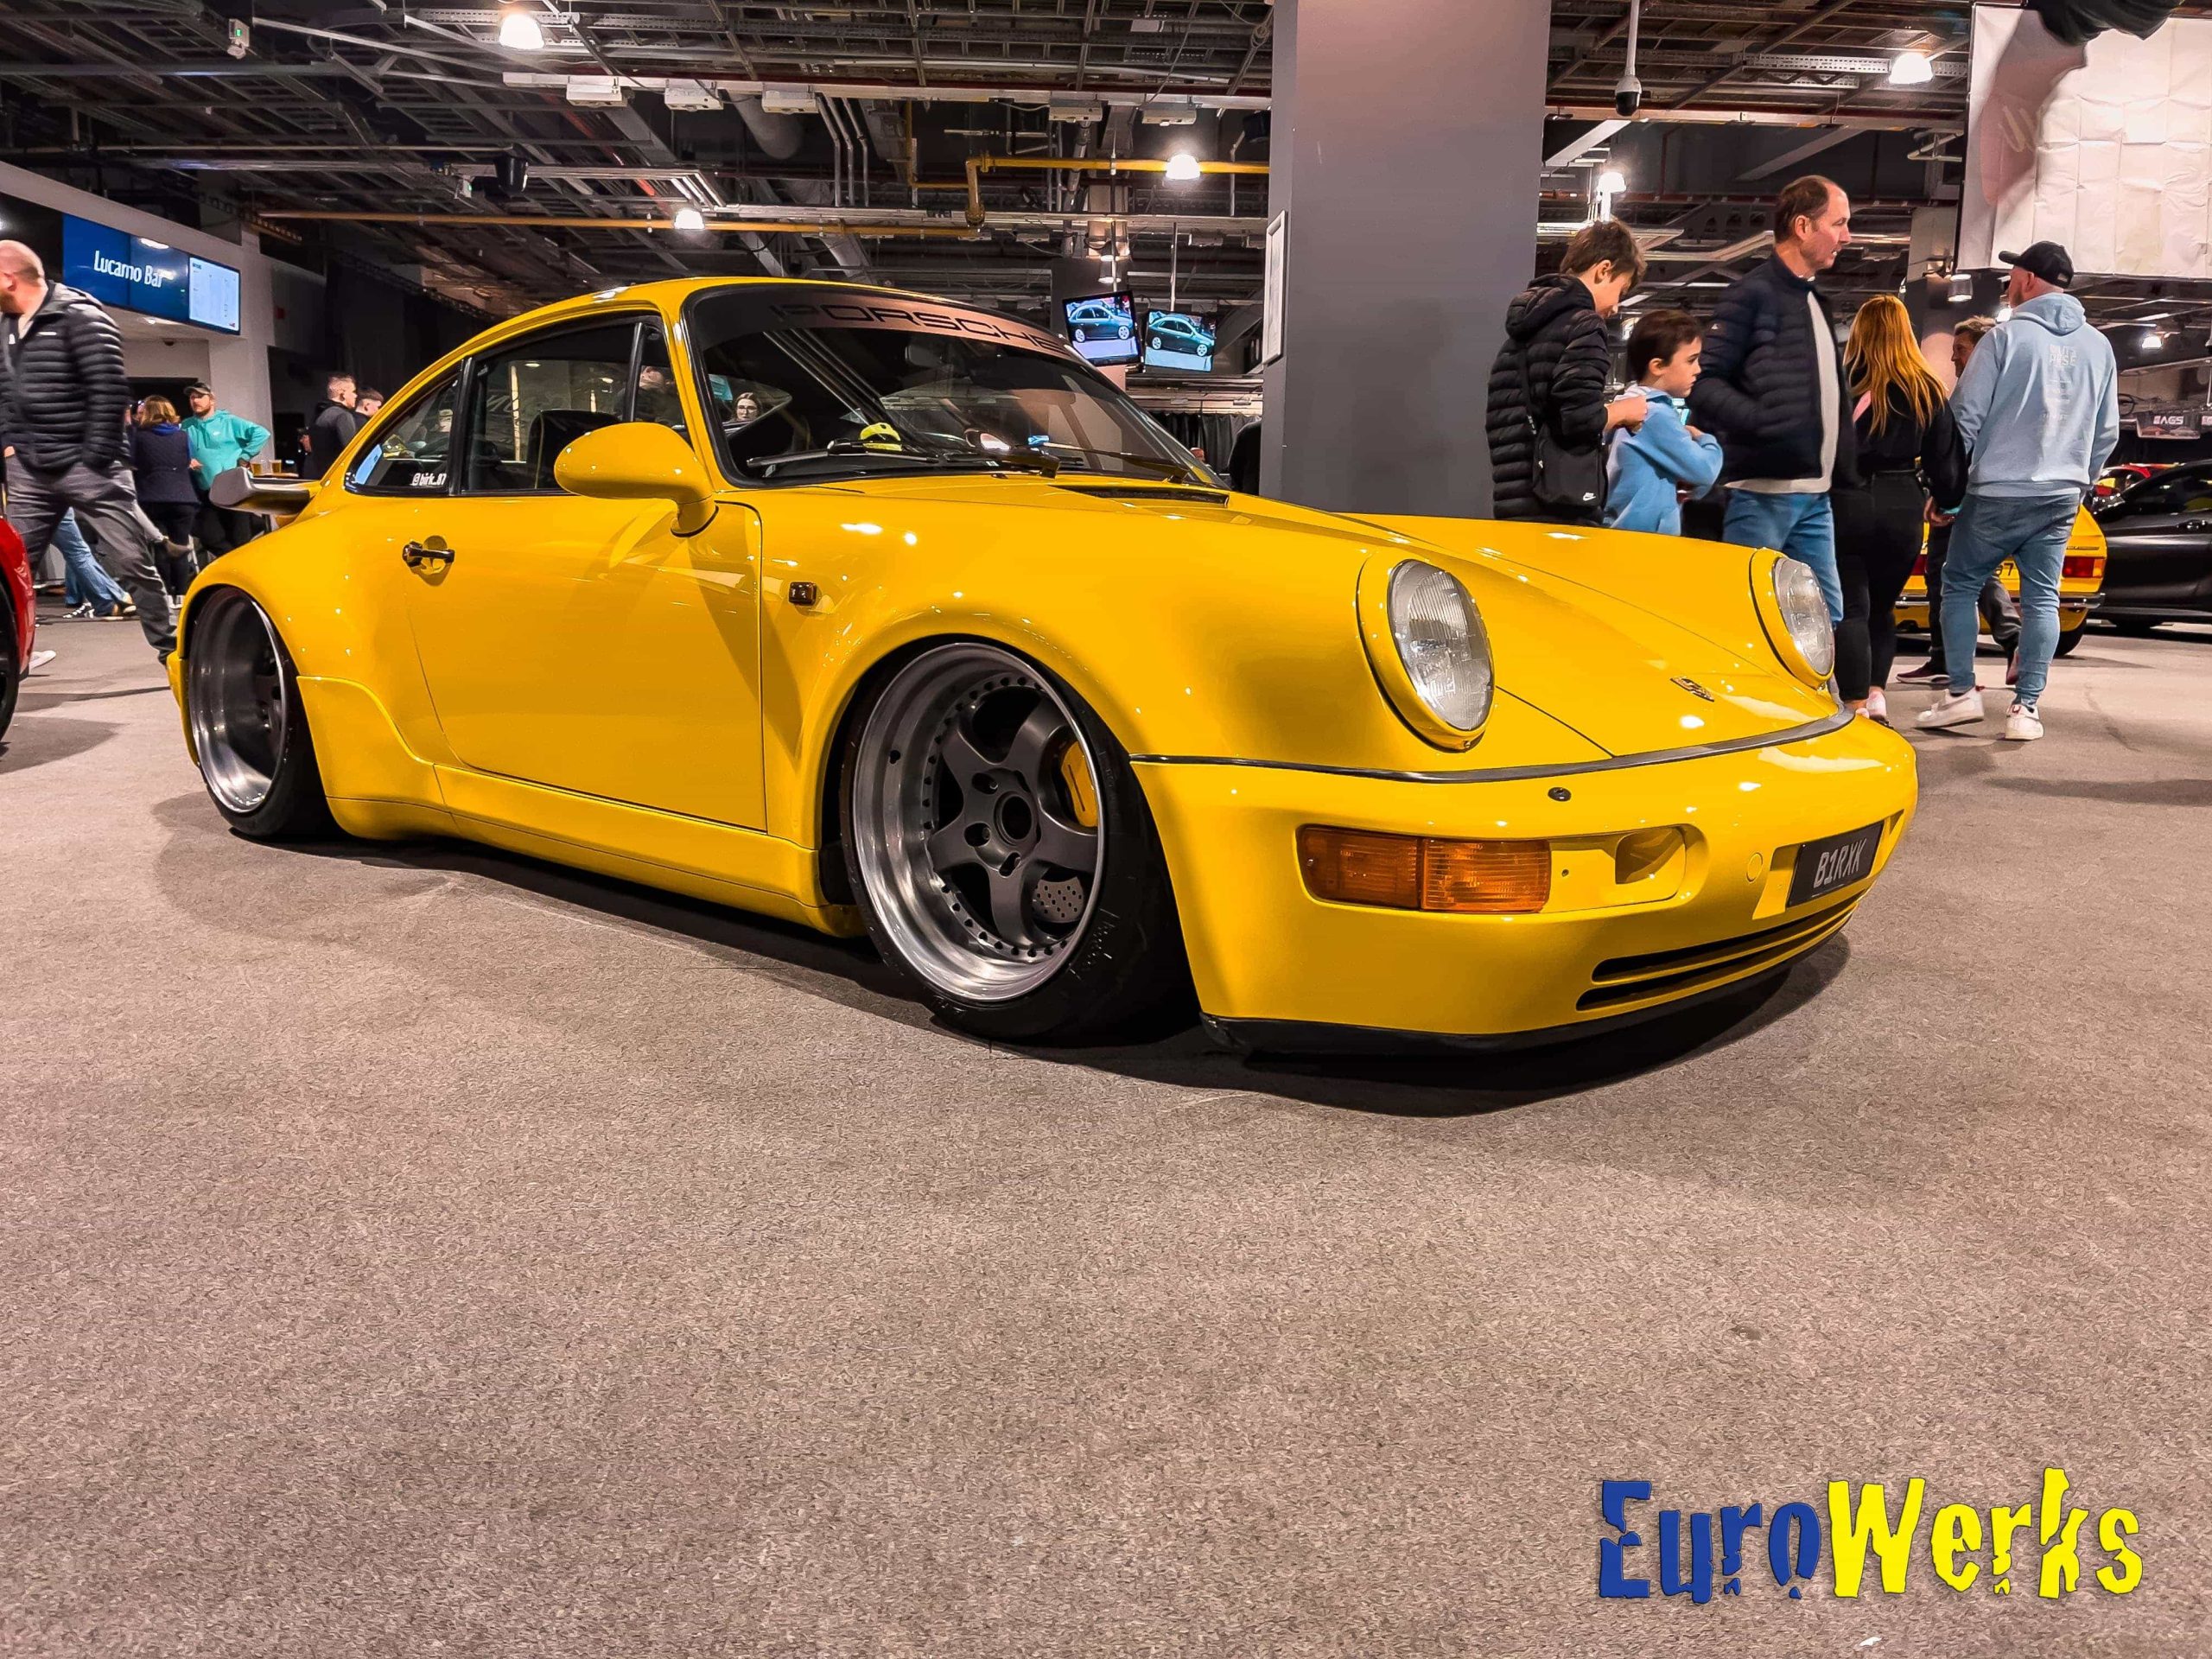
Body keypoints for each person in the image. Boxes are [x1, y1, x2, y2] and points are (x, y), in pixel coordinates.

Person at [1917, 241, 2119, 741]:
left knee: (1960, 584)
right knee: (2044, 599)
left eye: (2013, 276)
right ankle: (2026, 709)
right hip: (2059, 495)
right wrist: (2080, 481)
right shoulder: (2100, 347)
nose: (2009, 284)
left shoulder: (2004, 340)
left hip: (1997, 491)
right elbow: (2107, 431)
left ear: (2028, 280)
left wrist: (1947, 492)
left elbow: (1965, 420)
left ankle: (1961, 695)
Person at [1689, 175, 1858, 623]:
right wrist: (1762, 421)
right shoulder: (1752, 295)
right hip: (1764, 493)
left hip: (1814, 493)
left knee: (1826, 617)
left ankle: (1818, 697)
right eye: (1838, 223)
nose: (1847, 236)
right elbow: (1704, 385)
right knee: (1743, 614)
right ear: (1803, 226)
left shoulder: (1812, 299)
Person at [0, 239, 176, 661]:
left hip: (88, 465)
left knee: (133, 562)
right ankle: (8, 656)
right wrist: (11, 446)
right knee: (11, 570)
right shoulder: (6, 326)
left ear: (7, 279)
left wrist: (93, 458)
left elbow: (110, 391)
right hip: (30, 467)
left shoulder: (81, 317)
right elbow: (6, 392)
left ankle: (173, 649)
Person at [1827, 296, 1966, 726]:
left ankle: (1852, 705)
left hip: (1848, 501)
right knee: (1884, 608)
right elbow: (1948, 458)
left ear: (1860, 335)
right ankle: (1876, 695)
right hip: (1902, 504)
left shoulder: (1842, 382)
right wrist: (1946, 502)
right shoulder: (1926, 389)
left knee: (1852, 607)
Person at [1486, 219, 1649, 524]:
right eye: (1621, 290)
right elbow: (1578, 419)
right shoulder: (1584, 326)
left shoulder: (1520, 334)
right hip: (1560, 506)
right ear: (1603, 270)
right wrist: (1624, 412)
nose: (1616, 307)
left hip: (1514, 501)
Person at [1897, 317, 2020, 687]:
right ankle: (1944, 657)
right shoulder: (1991, 388)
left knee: (1963, 573)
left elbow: (1961, 444)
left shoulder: (1983, 391)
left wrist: (1946, 494)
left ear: (1983, 350)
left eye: (1961, 351)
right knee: (1944, 573)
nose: (1954, 360)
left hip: (1968, 493)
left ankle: (2008, 641)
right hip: (1970, 490)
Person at [1604, 308, 1722, 536]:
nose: (1698, 369)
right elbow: (1704, 471)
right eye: (1691, 360)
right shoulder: (1654, 414)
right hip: (1643, 540)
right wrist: (1705, 440)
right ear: (1657, 366)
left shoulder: (1633, 405)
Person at [180, 380, 270, 556]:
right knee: (209, 536)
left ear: (212, 400)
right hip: (205, 491)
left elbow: (262, 433)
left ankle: (240, 569)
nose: (195, 400)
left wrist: (244, 457)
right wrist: (187, 460)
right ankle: (231, 561)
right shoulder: (187, 425)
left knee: (240, 539)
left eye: (200, 396)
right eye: (192, 397)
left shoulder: (229, 422)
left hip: (232, 489)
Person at [131, 395, 201, 597]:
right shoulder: (183, 436)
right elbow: (188, 460)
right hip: (184, 498)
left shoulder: (139, 436)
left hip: (152, 497)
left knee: (161, 546)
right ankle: (181, 594)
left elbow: (133, 462)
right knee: (180, 547)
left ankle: (165, 594)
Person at [52, 509, 134, 620]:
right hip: (56, 504)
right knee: (78, 552)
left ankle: (111, 600)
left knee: (77, 551)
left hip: (37, 503)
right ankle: (115, 597)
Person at [303, 372, 362, 478]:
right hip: (337, 477)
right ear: (342, 394)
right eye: (353, 391)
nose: (356, 395)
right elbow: (351, 450)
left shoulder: (318, 414)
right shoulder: (342, 416)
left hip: (317, 475)